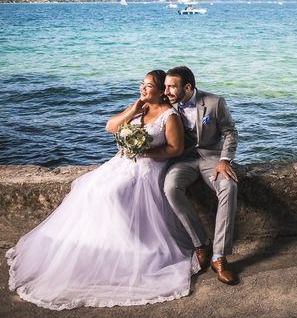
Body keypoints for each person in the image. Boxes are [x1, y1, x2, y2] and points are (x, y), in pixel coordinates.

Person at [6, 70, 197, 310]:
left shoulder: (170, 116)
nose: (143, 88)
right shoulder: (140, 107)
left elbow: (175, 149)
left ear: (160, 91)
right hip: (122, 162)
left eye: (148, 86)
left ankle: (132, 250)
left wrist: (144, 152)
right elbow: (111, 127)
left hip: (148, 167)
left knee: (113, 193)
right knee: (88, 188)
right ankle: (101, 247)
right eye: (142, 84)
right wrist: (134, 109)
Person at [163, 66, 239, 285]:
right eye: (166, 86)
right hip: (183, 160)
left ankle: (219, 256)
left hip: (212, 159)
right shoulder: (167, 104)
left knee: (229, 186)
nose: (166, 91)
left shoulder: (215, 102)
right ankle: (201, 243)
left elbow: (230, 132)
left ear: (187, 87)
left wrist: (225, 160)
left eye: (171, 87)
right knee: (170, 188)